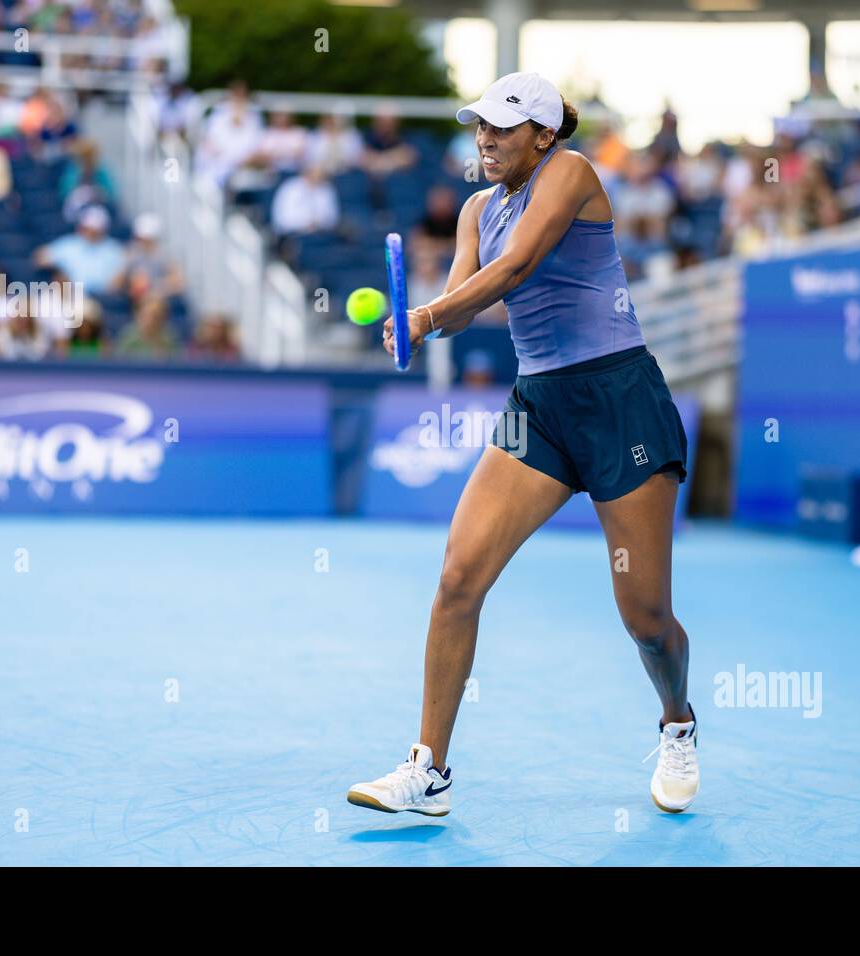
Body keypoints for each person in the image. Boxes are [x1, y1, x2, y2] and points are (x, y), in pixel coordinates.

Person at [349, 72, 698, 818]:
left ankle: (677, 721)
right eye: (479, 127)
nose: (485, 139)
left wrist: (428, 313)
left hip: (620, 403)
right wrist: (420, 321)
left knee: (645, 618)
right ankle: (430, 769)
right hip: (537, 408)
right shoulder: (477, 208)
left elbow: (515, 272)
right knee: (458, 576)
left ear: (543, 134)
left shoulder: (571, 172)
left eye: (502, 128)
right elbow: (464, 306)